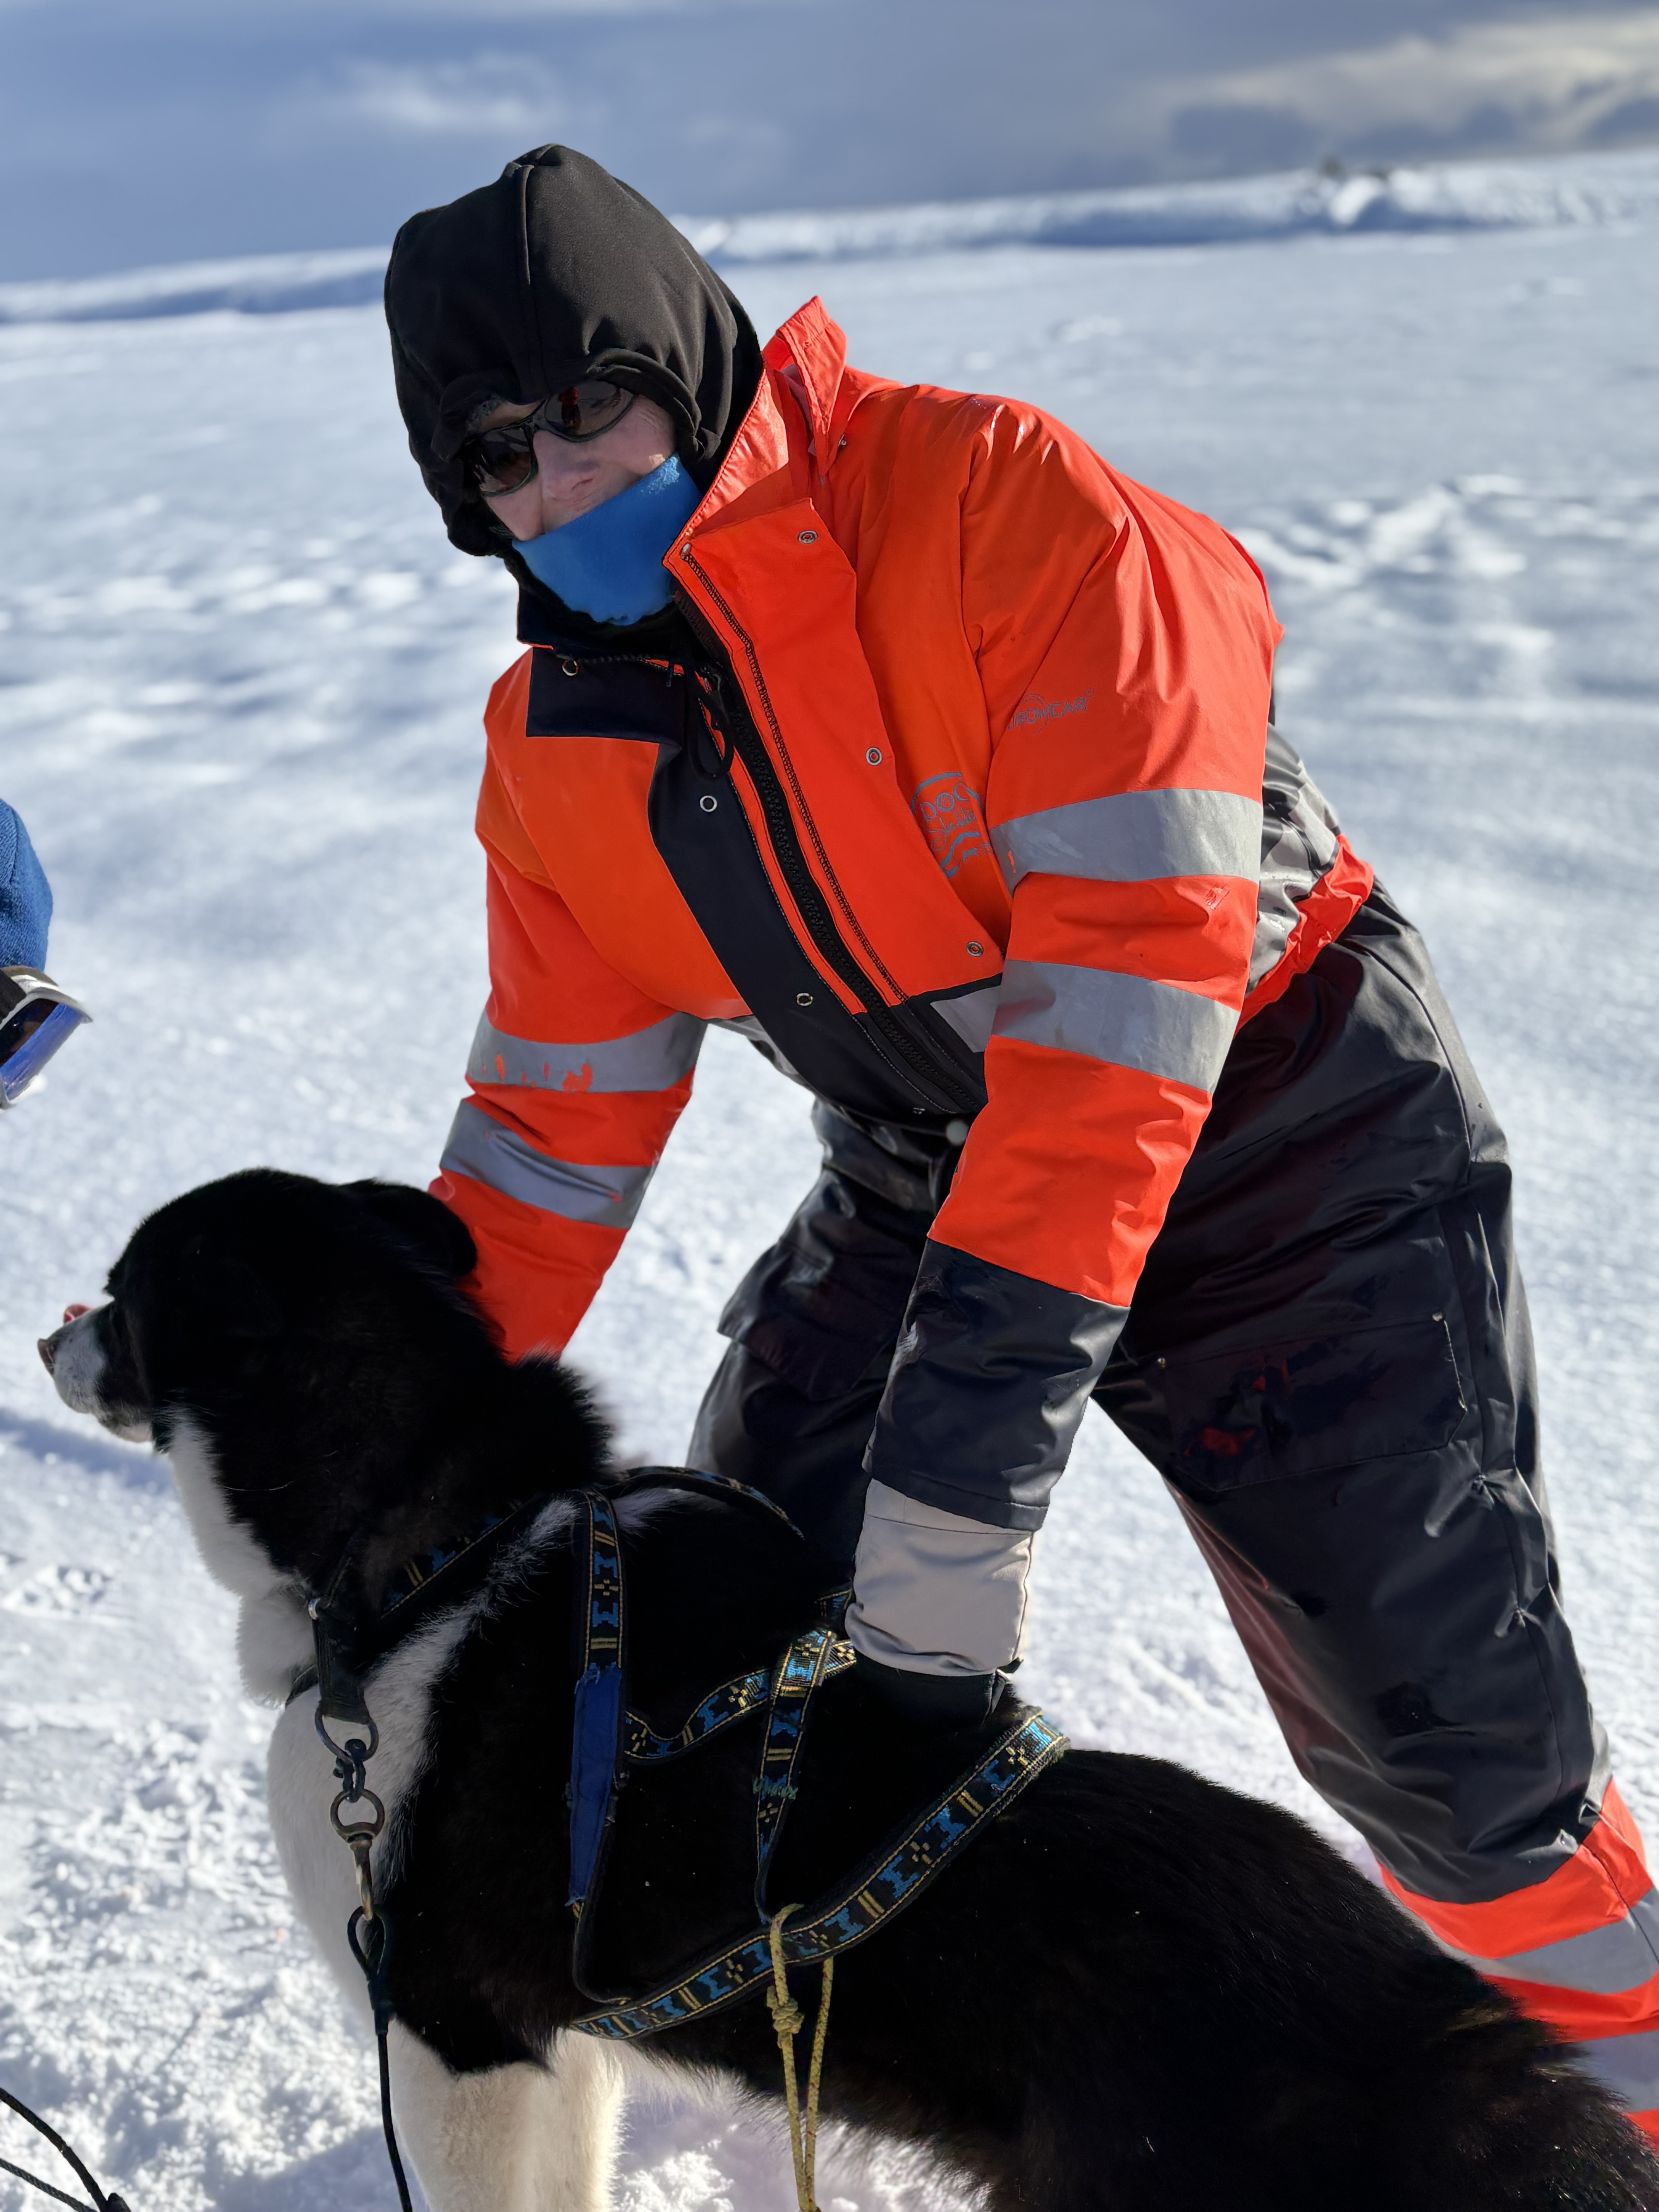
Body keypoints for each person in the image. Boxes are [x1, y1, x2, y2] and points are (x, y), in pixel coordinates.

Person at [386, 145, 1659, 2139]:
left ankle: (1619, 2112)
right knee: (737, 1636)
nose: (563, 478)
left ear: (691, 369)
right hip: (930, 1156)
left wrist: (961, 1486)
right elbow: (552, 1137)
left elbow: (1116, 1045)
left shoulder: (1007, 509)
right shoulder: (559, 751)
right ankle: (869, 2054)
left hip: (1285, 1136)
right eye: (500, 456)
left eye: (592, 407)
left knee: (1452, 1748)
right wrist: (377, 1420)